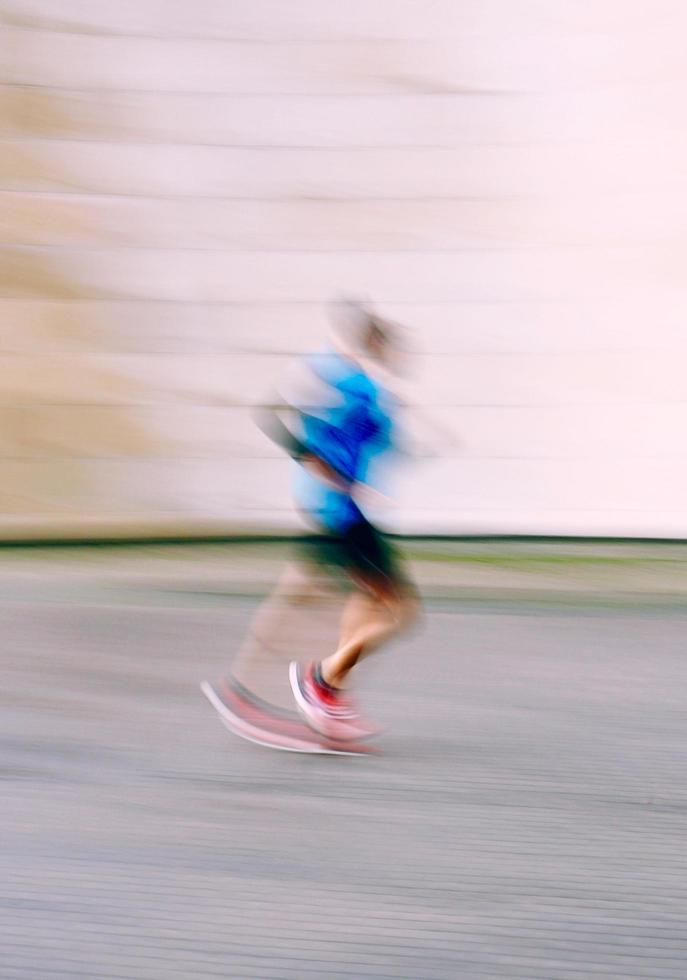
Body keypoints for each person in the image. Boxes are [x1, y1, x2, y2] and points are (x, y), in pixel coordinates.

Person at [255, 299, 420, 741]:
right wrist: (320, 466)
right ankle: (321, 681)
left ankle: (332, 695)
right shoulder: (349, 381)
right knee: (402, 612)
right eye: (393, 348)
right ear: (372, 343)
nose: (401, 359)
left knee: (368, 601)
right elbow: (270, 415)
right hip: (341, 512)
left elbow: (365, 437)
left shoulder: (342, 376)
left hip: (340, 509)